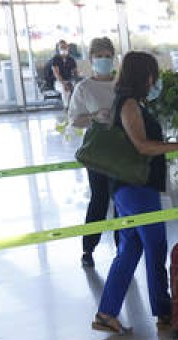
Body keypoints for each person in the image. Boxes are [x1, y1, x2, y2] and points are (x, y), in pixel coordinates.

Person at [91, 51, 178, 335]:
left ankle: (106, 313)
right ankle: (164, 312)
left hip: (133, 187)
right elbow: (142, 146)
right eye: (153, 75)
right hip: (136, 188)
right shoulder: (129, 104)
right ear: (145, 76)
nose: (155, 81)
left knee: (131, 249)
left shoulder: (133, 103)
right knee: (156, 247)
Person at [67, 37, 117, 268]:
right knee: (99, 200)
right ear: (91, 59)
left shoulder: (122, 85)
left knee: (121, 201)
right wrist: (94, 117)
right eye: (100, 56)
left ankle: (122, 247)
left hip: (122, 149)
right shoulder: (84, 87)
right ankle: (88, 248)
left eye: (108, 56)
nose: (104, 60)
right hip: (97, 150)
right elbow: (75, 120)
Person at [48, 40, 80, 107]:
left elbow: (75, 72)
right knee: (64, 89)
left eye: (65, 47)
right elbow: (56, 74)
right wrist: (64, 83)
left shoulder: (71, 59)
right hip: (58, 81)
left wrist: (76, 80)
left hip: (69, 80)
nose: (64, 49)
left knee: (78, 87)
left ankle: (77, 107)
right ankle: (67, 107)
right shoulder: (55, 59)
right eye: (62, 47)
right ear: (58, 49)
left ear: (68, 48)